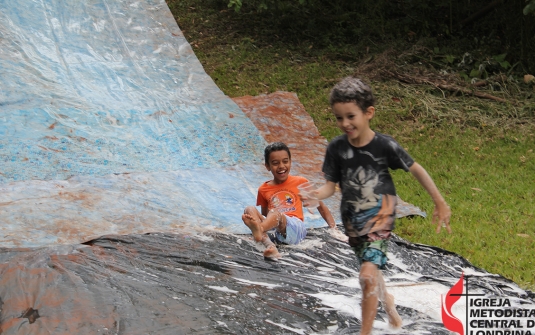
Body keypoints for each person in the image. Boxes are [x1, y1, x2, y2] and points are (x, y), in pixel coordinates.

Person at [302, 76, 452, 334]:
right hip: (352, 220)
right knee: (369, 271)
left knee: (366, 275)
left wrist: (439, 201)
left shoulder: (384, 145)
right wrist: (317, 194)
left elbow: (416, 169)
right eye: (339, 118)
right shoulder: (336, 148)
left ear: (369, 113)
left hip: (380, 214)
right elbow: (331, 185)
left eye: (351, 116)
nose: (345, 124)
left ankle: (366, 331)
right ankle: (390, 307)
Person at [242, 142, 336, 259]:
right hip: (279, 230)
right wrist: (266, 220)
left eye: (285, 161)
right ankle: (271, 247)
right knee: (249, 209)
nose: (281, 166)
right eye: (275, 163)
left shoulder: (300, 182)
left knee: (275, 214)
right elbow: (265, 214)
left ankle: (259, 231)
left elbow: (320, 206)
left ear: (290, 162)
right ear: (267, 166)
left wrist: (334, 229)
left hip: (297, 229)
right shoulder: (263, 189)